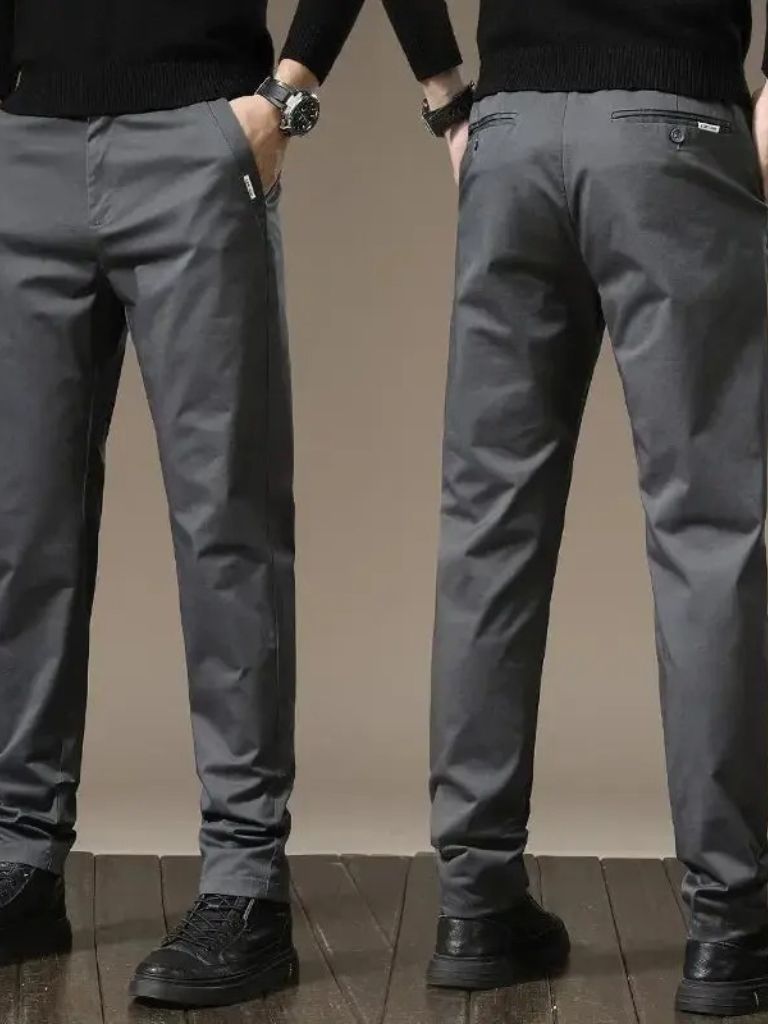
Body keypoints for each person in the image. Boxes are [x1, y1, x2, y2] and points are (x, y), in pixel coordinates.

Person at [381, 0, 768, 1015]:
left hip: (512, 136)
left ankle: (476, 904)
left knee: (489, 531)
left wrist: (449, 100)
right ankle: (730, 926)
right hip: (673, 123)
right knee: (704, 533)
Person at [0, 0, 375, 1009]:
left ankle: (245, 884)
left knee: (227, 529)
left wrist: (282, 105)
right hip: (25, 149)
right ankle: (19, 862)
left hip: (197, 145)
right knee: (22, 532)